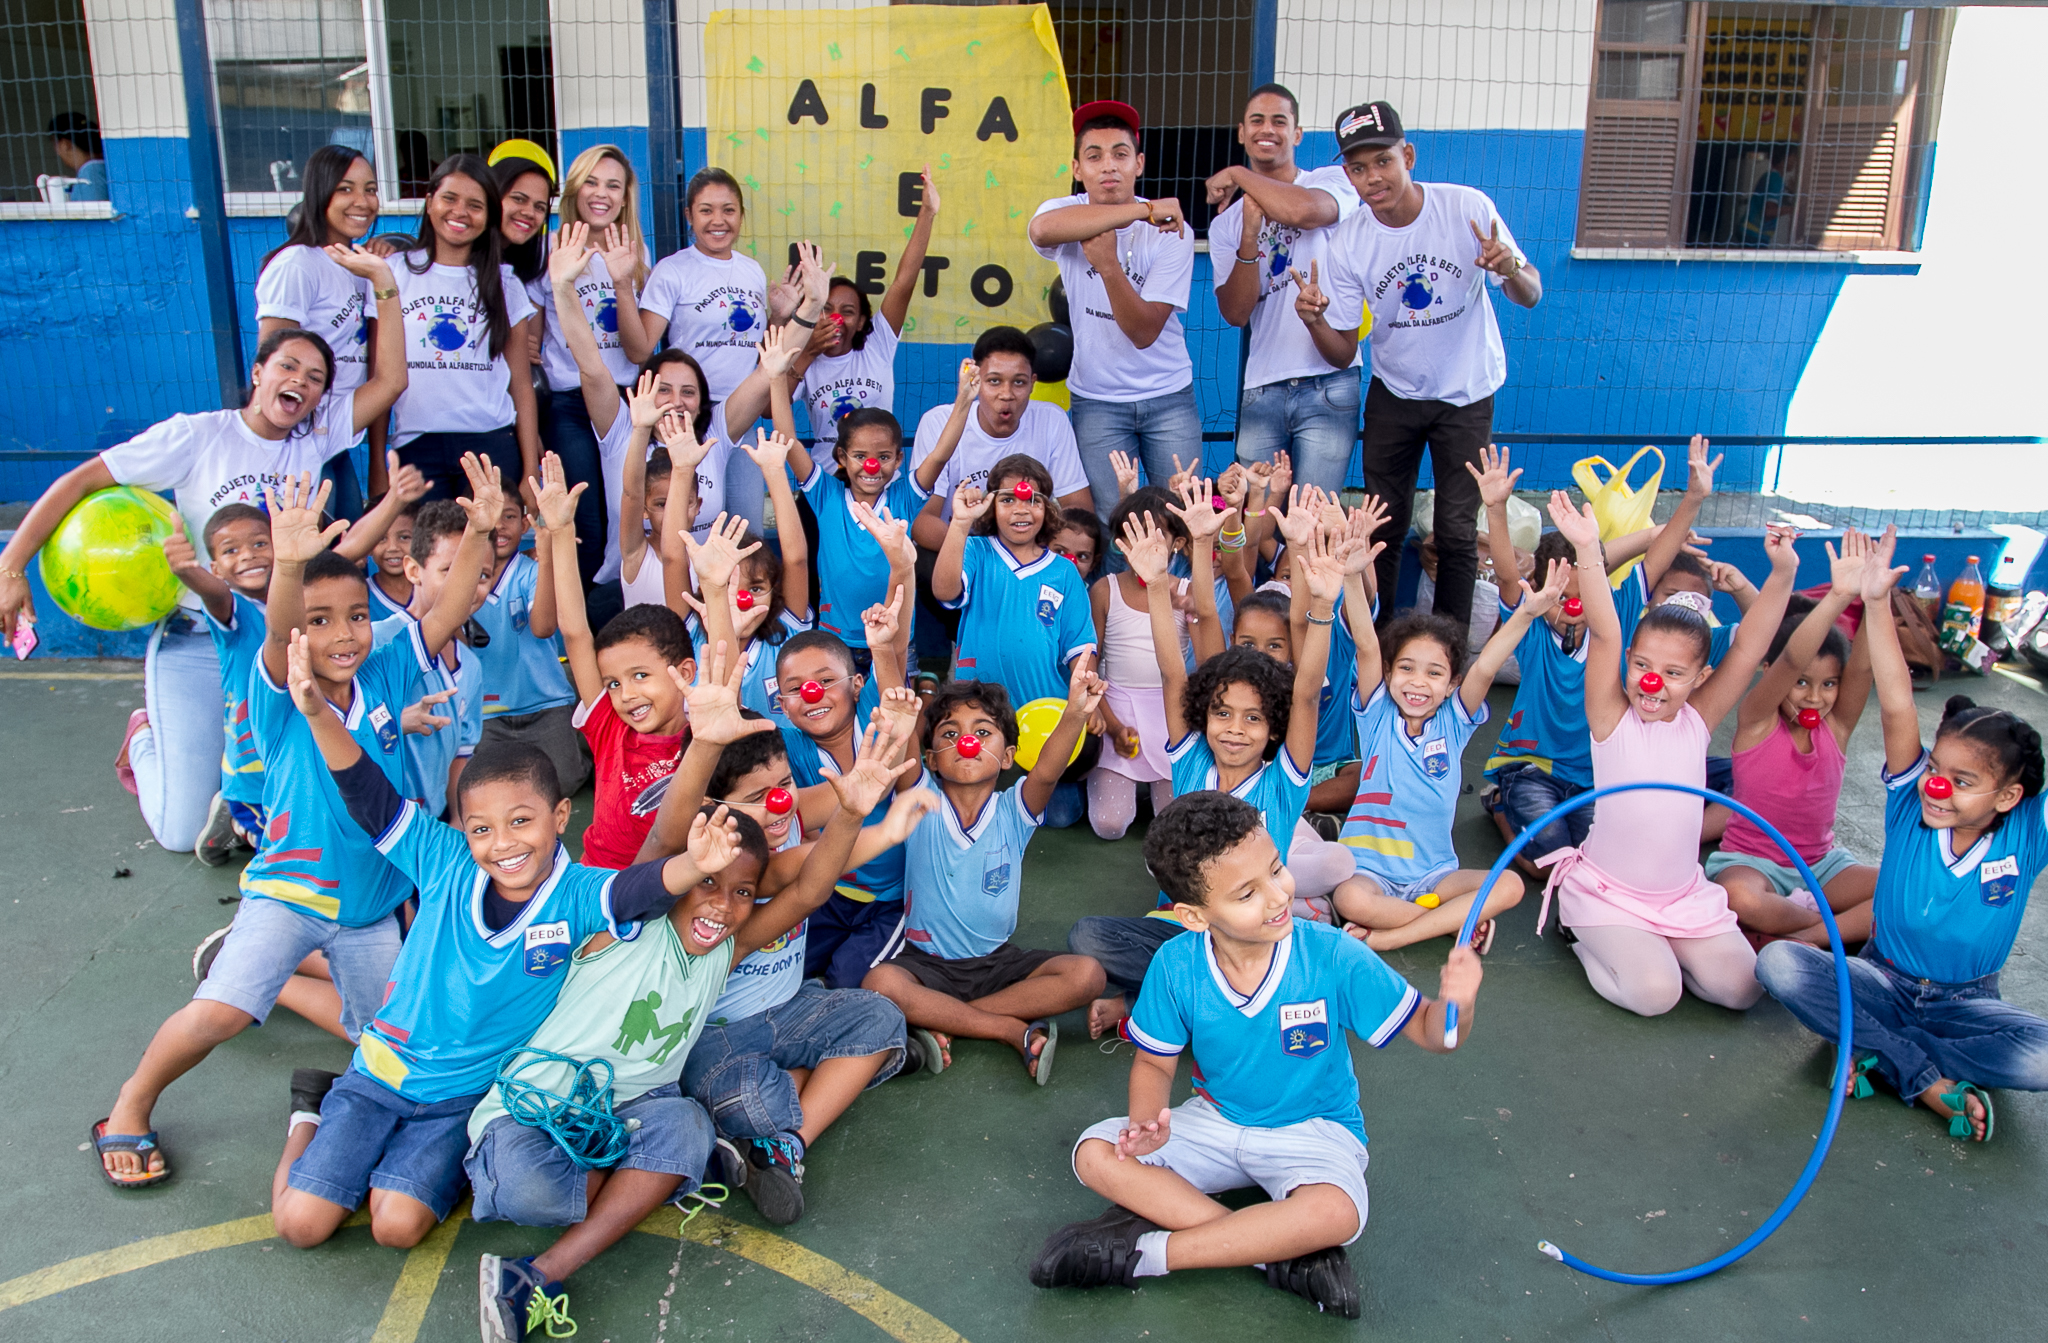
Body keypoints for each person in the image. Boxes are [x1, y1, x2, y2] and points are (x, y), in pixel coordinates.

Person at [467, 671, 915, 1341]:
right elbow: (665, 837)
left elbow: (808, 892)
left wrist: (852, 810)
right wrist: (703, 742)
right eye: (706, 881)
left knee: (684, 1128)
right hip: (537, 1112)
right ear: (676, 878)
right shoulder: (622, 922)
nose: (721, 904)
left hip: (628, 1117)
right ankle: (634, 1184)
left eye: (740, 892)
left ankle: (538, 1272)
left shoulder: (720, 953)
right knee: (534, 1183)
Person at [265, 655, 760, 1253]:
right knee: (299, 1226)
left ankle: (378, 1162)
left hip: (461, 1098)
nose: (503, 844)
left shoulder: (578, 894)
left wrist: (692, 867)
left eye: (521, 821)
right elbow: (367, 793)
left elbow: (639, 886)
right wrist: (318, 713)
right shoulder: (442, 859)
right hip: (381, 1072)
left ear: (558, 817)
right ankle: (309, 1118)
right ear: (463, 829)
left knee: (395, 1228)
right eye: (481, 829)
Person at [89, 467, 490, 1189]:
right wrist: (293, 558)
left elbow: (450, 604)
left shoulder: (392, 666)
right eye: (321, 618)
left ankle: (323, 1106)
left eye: (355, 615)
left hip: (371, 911)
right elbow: (276, 630)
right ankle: (130, 1101)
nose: (343, 633)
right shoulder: (278, 686)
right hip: (290, 893)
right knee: (219, 1015)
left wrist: (484, 528)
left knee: (392, 1044)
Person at [1028, 790, 1482, 1319]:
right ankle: (1273, 1254)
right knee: (1094, 1154)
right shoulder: (1176, 963)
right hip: (1216, 1121)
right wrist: (1146, 1122)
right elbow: (1154, 1062)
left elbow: (1437, 1034)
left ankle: (1150, 1253)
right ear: (1195, 916)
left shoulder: (1333, 954)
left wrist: (1457, 1005)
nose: (1276, 897)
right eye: (1246, 894)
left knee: (1338, 1211)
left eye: (1276, 870)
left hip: (1314, 1130)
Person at [0, 305, 408, 854]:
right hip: (200, 638)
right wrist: (10, 565)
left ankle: (235, 785)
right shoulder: (196, 437)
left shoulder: (312, 443)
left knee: (314, 796)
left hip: (286, 650)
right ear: (259, 371)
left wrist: (383, 285)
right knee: (177, 831)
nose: (301, 384)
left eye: (315, 379)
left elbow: (392, 380)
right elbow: (79, 480)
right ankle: (145, 735)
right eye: (288, 367)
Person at [1757, 529, 2048, 1145]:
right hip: (1881, 979)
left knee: (2041, 1055)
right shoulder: (1911, 802)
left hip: (1965, 1003)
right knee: (1780, 962)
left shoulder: (2027, 831)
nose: (1937, 787)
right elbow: (1896, 707)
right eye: (1937, 771)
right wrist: (1880, 604)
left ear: (2008, 797)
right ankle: (1921, 1074)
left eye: (1962, 781)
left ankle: (1880, 1053)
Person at [652, 687, 933, 1227]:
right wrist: (886, 831)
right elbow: (801, 872)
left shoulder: (788, 809)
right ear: (713, 807)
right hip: (718, 1035)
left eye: (783, 785)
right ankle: (824, 1085)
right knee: (751, 1101)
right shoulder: (711, 859)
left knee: (880, 1014)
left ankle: (785, 1146)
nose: (779, 803)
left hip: (792, 1004)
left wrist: (894, 733)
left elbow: (859, 788)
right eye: (758, 796)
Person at [1065, 502, 1343, 1039]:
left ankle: (1158, 1004)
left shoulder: (1284, 783)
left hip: (1255, 933)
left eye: (1253, 718)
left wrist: (1323, 605)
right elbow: (1175, 670)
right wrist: (1155, 583)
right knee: (1087, 936)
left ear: (1272, 727)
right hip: (1184, 927)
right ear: (1204, 716)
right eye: (1221, 713)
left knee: (1286, 968)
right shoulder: (1190, 761)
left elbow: (1306, 691)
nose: (1235, 729)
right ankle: (1194, 1002)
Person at [1537, 493, 1797, 1017]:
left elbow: (1750, 647)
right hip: (1611, 894)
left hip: (1681, 895)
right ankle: (1584, 935)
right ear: (1630, 662)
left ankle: (1668, 949)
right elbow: (1606, 630)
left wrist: (1783, 573)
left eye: (1674, 674)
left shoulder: (1697, 721)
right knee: (1656, 995)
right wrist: (1589, 551)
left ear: (1700, 679)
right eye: (1644, 666)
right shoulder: (1610, 717)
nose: (1653, 683)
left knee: (1743, 989)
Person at [1298, 101, 1542, 631]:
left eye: (1382, 161)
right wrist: (1315, 321)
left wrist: (1511, 266)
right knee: (1380, 525)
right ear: (1348, 175)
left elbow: (1530, 293)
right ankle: (1379, 646)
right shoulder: (1350, 242)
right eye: (1358, 168)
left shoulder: (1466, 209)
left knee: (1456, 531)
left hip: (1466, 395)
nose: (1372, 178)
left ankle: (1446, 655)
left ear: (1407, 155)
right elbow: (1341, 352)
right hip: (1395, 395)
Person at [862, 668, 1108, 1084]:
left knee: (1088, 975)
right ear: (930, 758)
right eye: (950, 734)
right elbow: (903, 729)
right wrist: (886, 654)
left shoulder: (1015, 810)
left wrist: (1075, 714)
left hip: (998, 962)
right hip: (928, 965)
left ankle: (949, 1021)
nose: (967, 743)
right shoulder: (920, 801)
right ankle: (1007, 1027)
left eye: (983, 732)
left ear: (1009, 756)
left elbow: (1047, 771)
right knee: (880, 983)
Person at [1328, 562, 1554, 952]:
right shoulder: (1377, 713)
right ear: (1388, 672)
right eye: (1406, 668)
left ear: (1451, 685)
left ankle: (1391, 935)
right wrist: (1351, 574)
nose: (1417, 681)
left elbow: (1485, 666)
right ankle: (1451, 924)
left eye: (1434, 674)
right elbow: (1366, 644)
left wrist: (1527, 613)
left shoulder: (1454, 722)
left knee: (1510, 884)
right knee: (1350, 899)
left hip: (1434, 874)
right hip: (1368, 867)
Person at [549, 223, 801, 563]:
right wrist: (562, 287)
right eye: (663, 389)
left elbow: (767, 370)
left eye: (688, 392)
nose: (676, 402)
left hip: (705, 587)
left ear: (701, 406)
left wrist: (809, 309)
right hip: (635, 586)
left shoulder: (713, 434)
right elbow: (591, 366)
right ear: (645, 392)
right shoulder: (622, 429)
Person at [1027, 100, 1197, 516]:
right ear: (1076, 168)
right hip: (1097, 400)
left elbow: (1143, 332)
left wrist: (1107, 265)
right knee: (1110, 521)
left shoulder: (1170, 232)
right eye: (1094, 155)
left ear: (1138, 163)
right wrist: (1143, 210)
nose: (1109, 166)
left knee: (1181, 516)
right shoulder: (1063, 214)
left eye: (1120, 154)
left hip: (1168, 397)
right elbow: (1041, 229)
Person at [1709, 545, 1880, 944]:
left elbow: (1864, 668)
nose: (1814, 698)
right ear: (1772, 674)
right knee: (1741, 899)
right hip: (1751, 863)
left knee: (1902, 890)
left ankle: (1804, 937)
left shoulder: (1835, 727)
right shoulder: (1757, 722)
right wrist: (1838, 597)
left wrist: (1874, 598)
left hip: (1820, 866)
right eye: (1802, 683)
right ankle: (1829, 930)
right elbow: (1788, 661)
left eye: (1829, 684)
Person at [534, 452, 697, 869]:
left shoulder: (706, 734)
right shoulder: (610, 725)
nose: (626, 694)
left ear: (684, 673)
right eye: (613, 683)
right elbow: (574, 632)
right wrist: (560, 531)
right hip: (600, 887)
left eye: (640, 675)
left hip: (673, 892)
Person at [1206, 85, 1361, 498]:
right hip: (1263, 387)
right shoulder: (1227, 224)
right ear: (1241, 133)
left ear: (1297, 134)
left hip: (1329, 378)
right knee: (1254, 517)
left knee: (1313, 518)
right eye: (1257, 120)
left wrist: (1239, 176)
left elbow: (1306, 213)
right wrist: (1249, 237)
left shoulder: (1329, 180)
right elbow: (1237, 313)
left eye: (1280, 121)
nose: (1267, 129)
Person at [532, 145, 653, 607]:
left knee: (626, 509)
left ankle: (617, 609)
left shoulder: (634, 250)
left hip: (622, 398)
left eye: (613, 185)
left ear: (625, 198)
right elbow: (531, 331)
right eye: (592, 182)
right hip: (568, 400)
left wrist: (622, 279)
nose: (601, 194)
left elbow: (637, 344)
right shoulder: (550, 248)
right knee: (584, 517)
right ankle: (575, 614)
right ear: (574, 188)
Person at [387, 154, 542, 498]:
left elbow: (521, 386)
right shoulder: (394, 272)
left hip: (491, 443)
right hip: (416, 445)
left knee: (487, 550)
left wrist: (531, 468)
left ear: (488, 217)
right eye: (449, 199)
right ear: (429, 203)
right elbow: (381, 375)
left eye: (475, 205)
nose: (460, 212)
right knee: (430, 551)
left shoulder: (504, 283)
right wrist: (376, 469)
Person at [784, 167, 940, 470]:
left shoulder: (877, 345)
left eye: (848, 311)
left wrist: (928, 213)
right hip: (825, 485)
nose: (837, 318)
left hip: (878, 481)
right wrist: (809, 351)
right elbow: (767, 409)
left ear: (861, 322)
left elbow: (904, 282)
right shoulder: (803, 357)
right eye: (826, 308)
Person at [933, 455, 1098, 708]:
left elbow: (1079, 646)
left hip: (1044, 704)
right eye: (1008, 500)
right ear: (991, 506)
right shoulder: (976, 550)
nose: (1021, 509)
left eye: (1033, 500)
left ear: (1048, 508)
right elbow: (944, 590)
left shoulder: (1064, 571)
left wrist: (1085, 695)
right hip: (977, 705)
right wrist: (961, 524)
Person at [47, 111, 106, 201]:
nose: (57, 152)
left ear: (65, 145)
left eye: (55, 144)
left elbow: (92, 214)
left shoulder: (92, 172)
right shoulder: (101, 166)